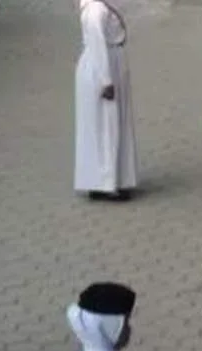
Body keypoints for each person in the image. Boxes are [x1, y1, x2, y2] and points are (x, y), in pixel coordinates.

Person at [73, 0, 136, 203]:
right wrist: (106, 80)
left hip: (111, 60)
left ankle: (105, 180)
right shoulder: (95, 10)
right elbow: (98, 46)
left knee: (106, 125)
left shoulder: (101, 6)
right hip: (102, 66)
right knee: (106, 126)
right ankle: (106, 183)